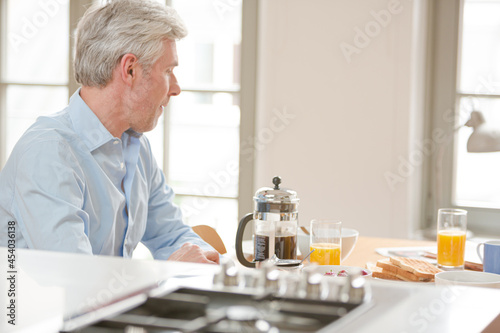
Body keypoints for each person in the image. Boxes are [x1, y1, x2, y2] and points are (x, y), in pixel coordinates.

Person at [0, 0, 219, 264]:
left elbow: (172, 235)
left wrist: (205, 258)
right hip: (38, 306)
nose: (176, 88)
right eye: (168, 71)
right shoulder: (48, 153)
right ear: (130, 69)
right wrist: (167, 273)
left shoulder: (137, 147)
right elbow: (76, 280)